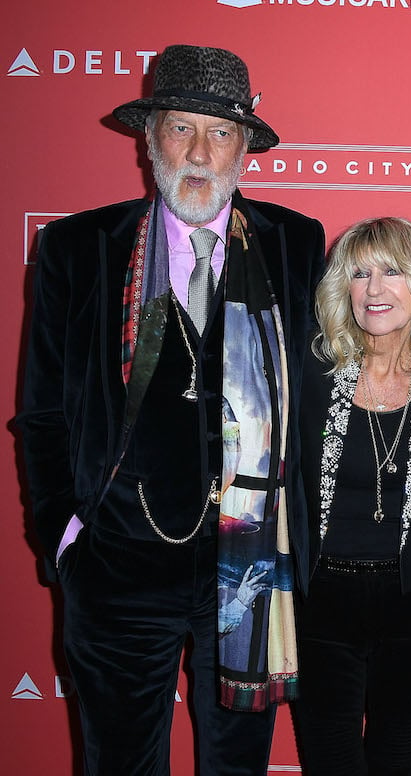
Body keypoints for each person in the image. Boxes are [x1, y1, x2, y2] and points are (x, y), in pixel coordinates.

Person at [16, 45, 325, 773]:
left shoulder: (294, 244)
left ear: (245, 148)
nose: (199, 151)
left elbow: (322, 394)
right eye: (180, 128)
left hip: (246, 566)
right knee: (118, 761)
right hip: (115, 563)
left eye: (220, 133)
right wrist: (65, 537)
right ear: (148, 137)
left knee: (237, 766)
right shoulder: (79, 247)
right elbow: (40, 413)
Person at [292, 216, 411, 774]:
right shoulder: (310, 369)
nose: (374, 289)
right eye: (359, 273)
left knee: (396, 764)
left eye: (392, 271)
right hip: (319, 604)